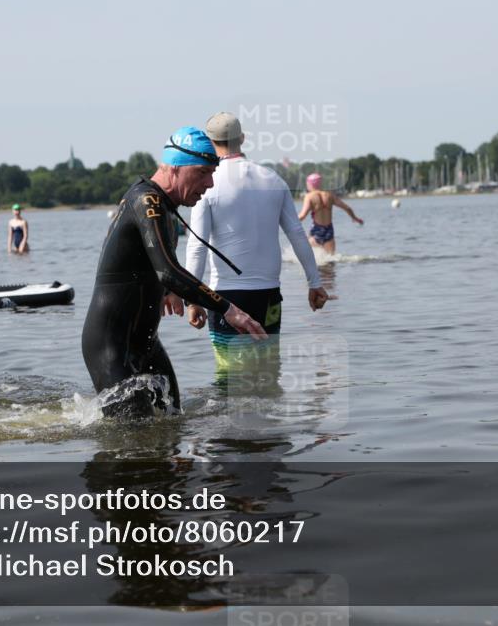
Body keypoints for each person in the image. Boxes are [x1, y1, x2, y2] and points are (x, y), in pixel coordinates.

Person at [81, 126, 267, 419]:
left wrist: (169, 290)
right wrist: (228, 309)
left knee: (172, 422)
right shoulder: (147, 201)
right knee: (133, 443)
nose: (209, 183)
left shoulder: (166, 206)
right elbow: (168, 270)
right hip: (111, 346)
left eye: (213, 173)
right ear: (174, 168)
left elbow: (151, 263)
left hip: (146, 342)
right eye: (203, 172)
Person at [185, 112, 329, 359]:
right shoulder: (274, 179)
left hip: (226, 298)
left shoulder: (208, 184)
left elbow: (197, 247)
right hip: (269, 295)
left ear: (210, 143)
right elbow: (296, 234)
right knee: (268, 370)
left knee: (229, 378)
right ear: (242, 138)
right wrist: (314, 283)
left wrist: (192, 299)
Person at [298, 172, 363, 254]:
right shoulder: (329, 195)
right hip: (329, 230)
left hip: (316, 230)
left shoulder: (309, 196)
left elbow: (302, 215)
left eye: (307, 184)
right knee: (330, 260)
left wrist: (287, 223)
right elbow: (347, 208)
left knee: (309, 257)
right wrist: (355, 218)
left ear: (310, 184)